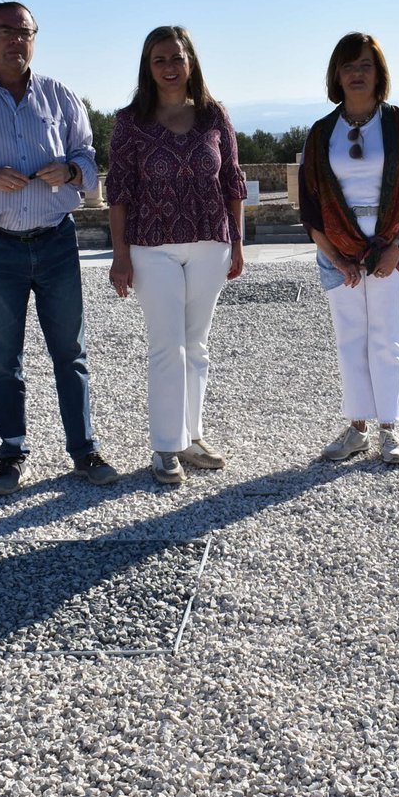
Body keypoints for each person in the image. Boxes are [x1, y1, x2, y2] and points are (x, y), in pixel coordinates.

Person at [0, 1, 120, 495]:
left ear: (35, 38)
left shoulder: (62, 97)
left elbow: (90, 160)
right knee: (3, 359)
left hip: (56, 241)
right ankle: (11, 455)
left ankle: (84, 451)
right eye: (5, 31)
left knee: (71, 354)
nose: (15, 40)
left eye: (24, 31)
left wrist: (72, 170)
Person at [107, 26, 247, 485]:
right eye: (159, 60)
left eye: (177, 58)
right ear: (148, 68)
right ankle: (166, 445)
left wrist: (238, 243)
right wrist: (120, 255)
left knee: (197, 346)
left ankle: (192, 437)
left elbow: (232, 182)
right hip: (152, 246)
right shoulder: (130, 121)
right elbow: (120, 191)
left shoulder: (213, 116)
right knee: (168, 345)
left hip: (211, 240)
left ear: (191, 62)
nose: (169, 68)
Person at [298, 33, 399, 465]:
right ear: (335, 75)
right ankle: (357, 428)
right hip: (337, 248)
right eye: (348, 66)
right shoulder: (322, 133)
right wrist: (336, 255)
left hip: (391, 247)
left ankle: (390, 430)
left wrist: (397, 248)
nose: (356, 73)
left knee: (387, 338)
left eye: (364, 65)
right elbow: (311, 205)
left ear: (379, 73)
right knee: (350, 339)